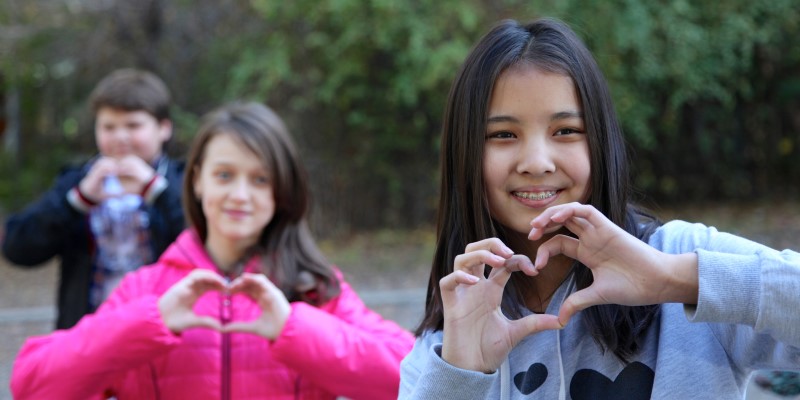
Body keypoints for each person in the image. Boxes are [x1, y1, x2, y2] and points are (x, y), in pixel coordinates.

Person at [399, 18, 800, 399]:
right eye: (503, 134)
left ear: (600, 144)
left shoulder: (678, 255)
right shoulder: (442, 349)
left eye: (566, 131)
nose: (537, 162)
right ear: (464, 154)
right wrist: (461, 373)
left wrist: (674, 278)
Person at [10, 101, 415, 399]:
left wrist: (294, 329)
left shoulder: (313, 286)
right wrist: (149, 323)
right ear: (198, 180)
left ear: (281, 190)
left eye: (260, 179)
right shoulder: (145, 291)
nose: (240, 195)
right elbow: (32, 383)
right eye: (225, 175)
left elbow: (412, 377)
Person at [2, 68, 185, 329]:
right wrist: (77, 201)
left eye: (133, 125)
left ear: (163, 128)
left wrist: (158, 192)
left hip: (167, 332)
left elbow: (207, 243)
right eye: (109, 127)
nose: (121, 137)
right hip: (90, 335)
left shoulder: (185, 181)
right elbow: (17, 248)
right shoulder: (77, 181)